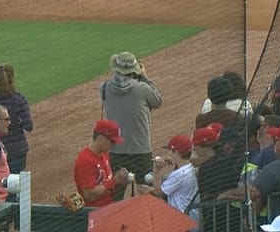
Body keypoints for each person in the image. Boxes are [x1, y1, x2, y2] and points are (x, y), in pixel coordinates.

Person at [100, 51, 163, 199]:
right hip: (140, 150)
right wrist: (144, 76)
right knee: (146, 192)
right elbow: (157, 101)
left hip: (116, 150)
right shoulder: (142, 88)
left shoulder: (104, 88)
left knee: (119, 193)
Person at [0, 64, 33, 173]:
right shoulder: (18, 99)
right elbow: (29, 126)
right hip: (16, 149)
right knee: (17, 186)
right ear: (12, 79)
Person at [137, 134, 198, 218]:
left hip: (181, 218)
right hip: (190, 215)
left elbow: (158, 193)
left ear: (176, 152)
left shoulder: (179, 174)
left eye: (171, 151)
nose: (169, 153)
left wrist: (157, 170)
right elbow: (173, 182)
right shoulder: (189, 167)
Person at [74, 119, 130, 207]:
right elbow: (90, 195)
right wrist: (114, 181)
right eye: (112, 141)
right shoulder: (85, 161)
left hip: (107, 208)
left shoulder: (103, 155)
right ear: (101, 138)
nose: (114, 145)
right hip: (93, 213)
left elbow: (105, 183)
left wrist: (119, 181)